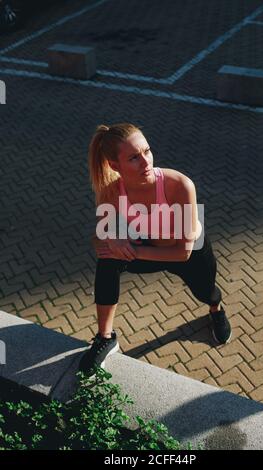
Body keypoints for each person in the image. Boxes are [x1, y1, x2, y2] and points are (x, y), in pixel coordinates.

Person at [79, 123, 231, 375]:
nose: (146, 162)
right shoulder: (112, 191)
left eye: (147, 151)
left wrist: (128, 250)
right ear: (116, 166)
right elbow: (98, 239)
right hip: (148, 246)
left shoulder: (179, 185)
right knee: (107, 258)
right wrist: (110, 241)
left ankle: (216, 309)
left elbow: (183, 253)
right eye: (134, 158)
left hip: (187, 253)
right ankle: (105, 337)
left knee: (207, 293)